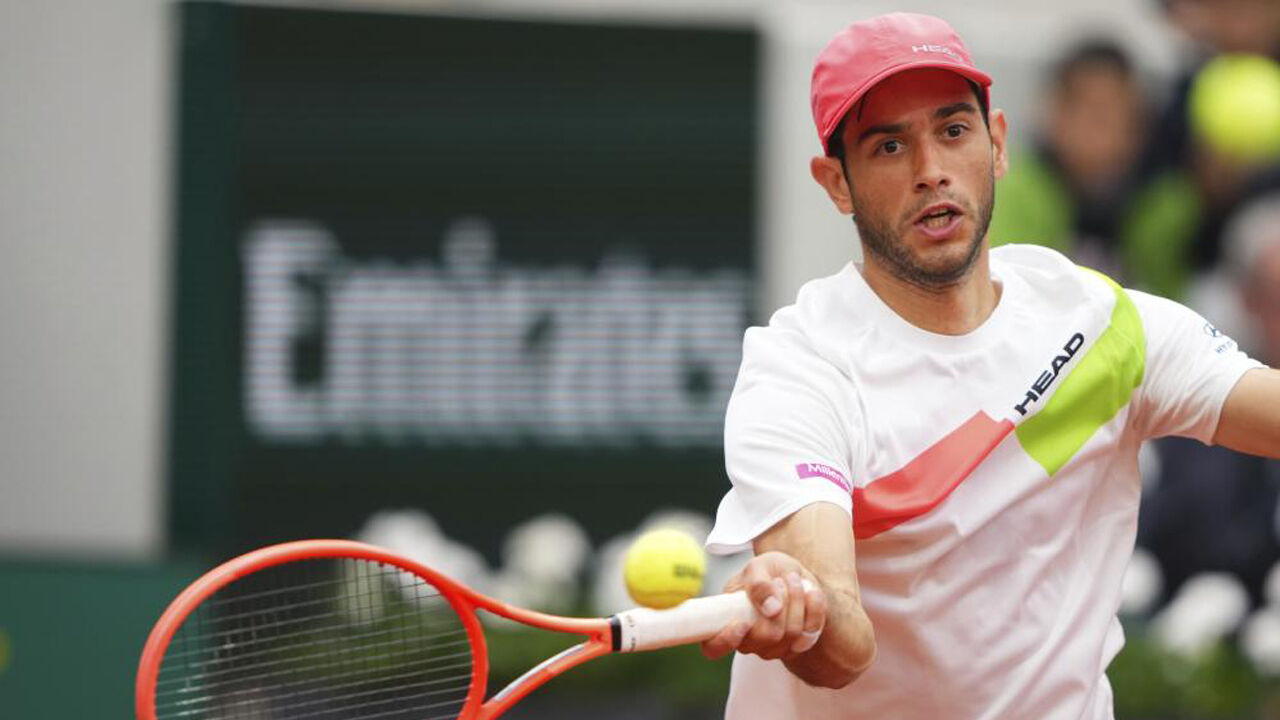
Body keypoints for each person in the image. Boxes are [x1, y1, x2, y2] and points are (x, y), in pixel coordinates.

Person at [699, 12, 1280, 720]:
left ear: (997, 143)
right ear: (836, 184)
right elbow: (841, 646)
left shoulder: (1102, 323)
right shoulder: (801, 368)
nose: (931, 171)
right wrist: (801, 609)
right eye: (888, 146)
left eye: (953, 131)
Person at [987, 39, 1146, 277]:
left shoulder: (1161, 203)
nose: (1108, 130)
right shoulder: (1010, 188)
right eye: (1096, 113)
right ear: (1054, 112)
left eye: (1122, 114)